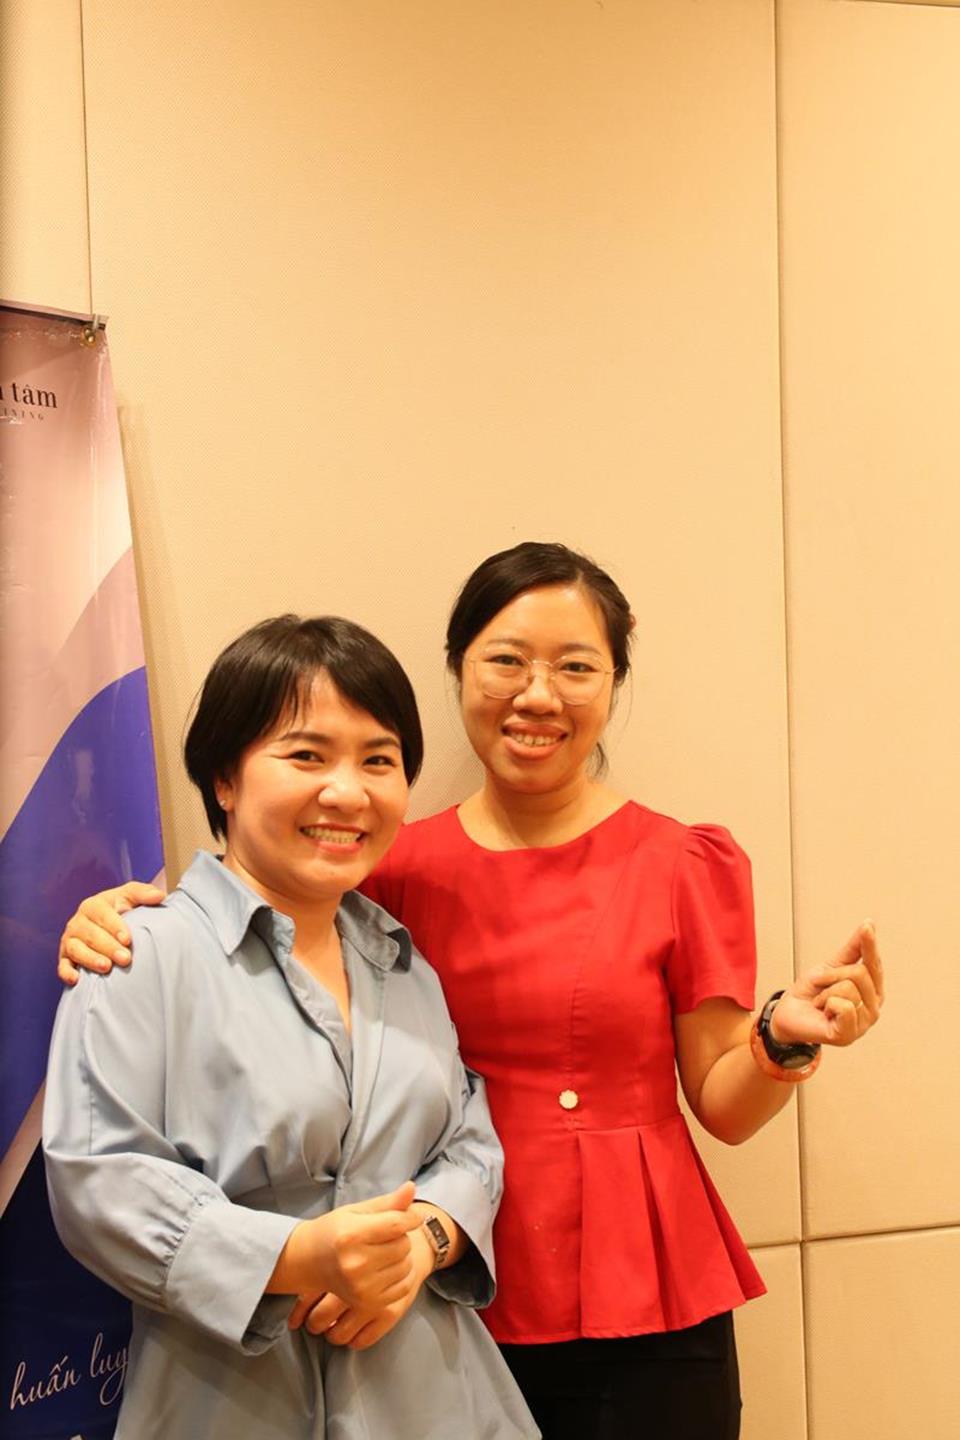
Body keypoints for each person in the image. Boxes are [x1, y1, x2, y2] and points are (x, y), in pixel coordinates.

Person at [58, 543, 884, 1440]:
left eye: (577, 667)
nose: (540, 694)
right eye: (507, 660)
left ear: (615, 680)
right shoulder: (385, 879)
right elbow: (247, 934)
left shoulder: (666, 865)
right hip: (419, 1314)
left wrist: (780, 1037)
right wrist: (124, 924)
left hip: (596, 1277)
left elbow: (698, 1101)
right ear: (460, 670)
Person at [43, 614, 539, 1440]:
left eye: (378, 759)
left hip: (434, 1397)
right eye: (307, 755)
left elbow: (469, 1142)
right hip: (229, 1398)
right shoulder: (140, 953)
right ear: (225, 778)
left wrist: (425, 1240)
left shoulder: (401, 962)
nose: (347, 792)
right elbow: (98, 1175)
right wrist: (295, 1257)